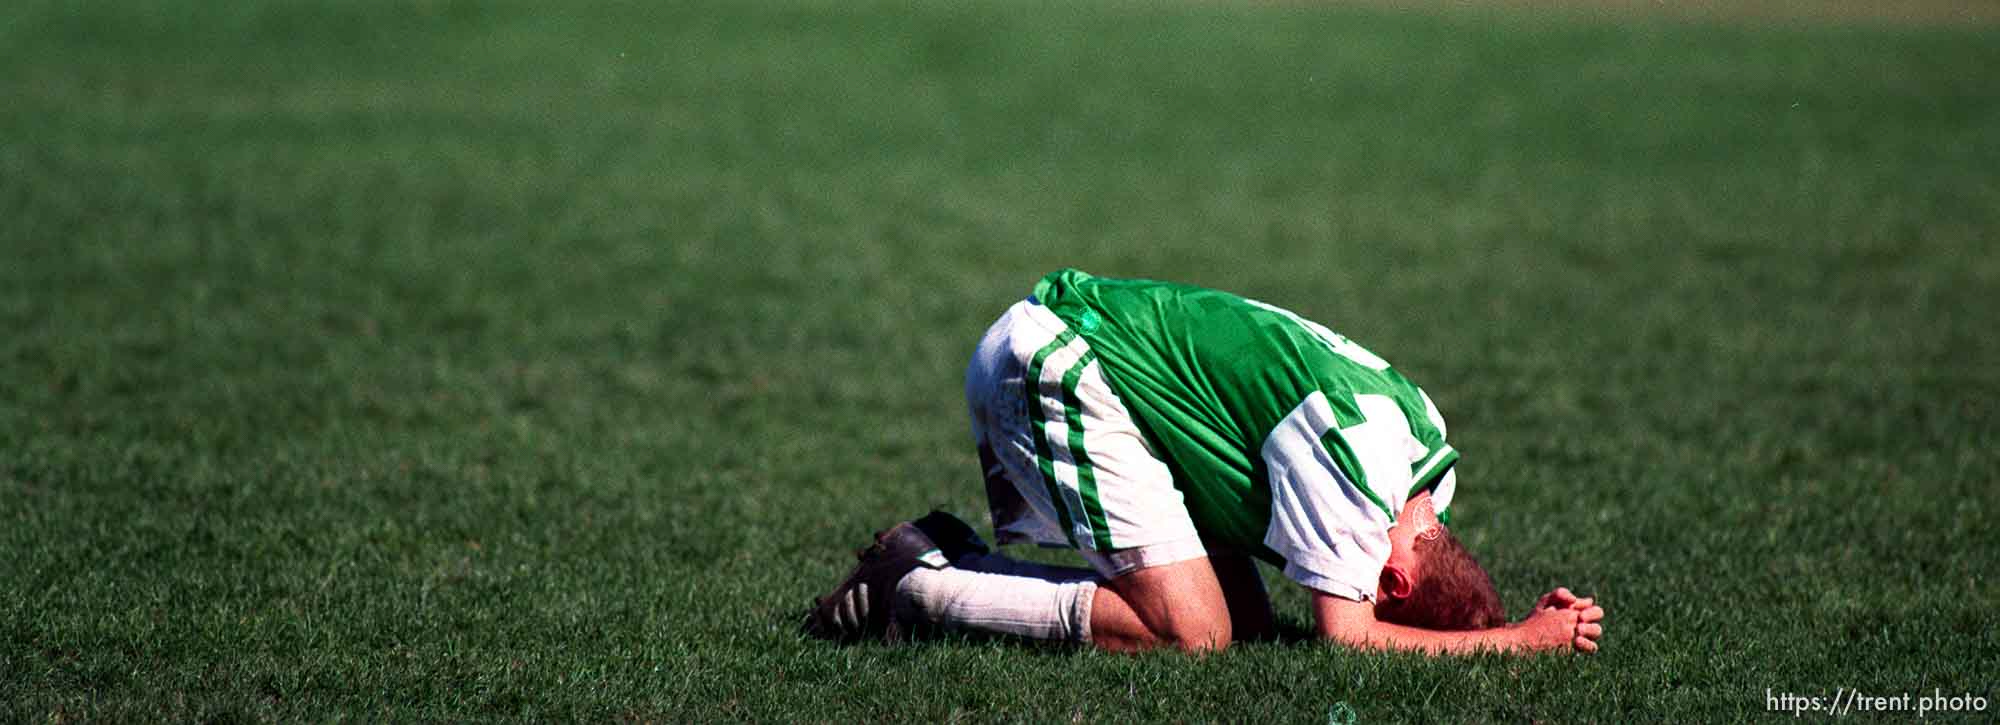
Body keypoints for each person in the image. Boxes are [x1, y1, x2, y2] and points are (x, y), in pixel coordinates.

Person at [807, 269, 1605, 654]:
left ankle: (956, 557)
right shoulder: (1357, 483)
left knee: (1248, 625)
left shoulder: (1425, 452)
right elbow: (1349, 637)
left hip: (1103, 365)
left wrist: (1500, 620)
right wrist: (1519, 642)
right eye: (1375, 589)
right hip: (1056, 362)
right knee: (1193, 634)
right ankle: (911, 588)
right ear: (1394, 579)